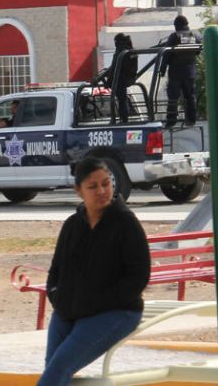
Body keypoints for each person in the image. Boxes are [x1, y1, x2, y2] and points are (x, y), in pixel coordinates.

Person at [38, 157, 151, 386]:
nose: (102, 191)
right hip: (68, 312)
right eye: (92, 186)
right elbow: (55, 272)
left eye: (106, 183)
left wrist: (96, 303)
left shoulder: (126, 223)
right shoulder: (72, 224)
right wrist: (58, 297)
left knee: (60, 366)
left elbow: (139, 277)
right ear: (78, 191)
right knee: (54, 367)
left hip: (117, 312)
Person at [158, 15, 202, 127]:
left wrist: (162, 69)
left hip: (175, 73)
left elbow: (166, 54)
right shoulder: (195, 35)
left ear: (176, 25)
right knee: (190, 96)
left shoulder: (174, 37)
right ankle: (191, 120)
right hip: (190, 72)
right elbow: (198, 50)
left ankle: (171, 121)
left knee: (173, 98)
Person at [110, 33, 138, 123]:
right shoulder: (131, 49)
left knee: (121, 100)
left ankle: (124, 119)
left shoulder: (121, 51)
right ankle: (124, 118)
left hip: (121, 79)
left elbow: (114, 67)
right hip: (130, 77)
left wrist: (109, 82)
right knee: (123, 99)